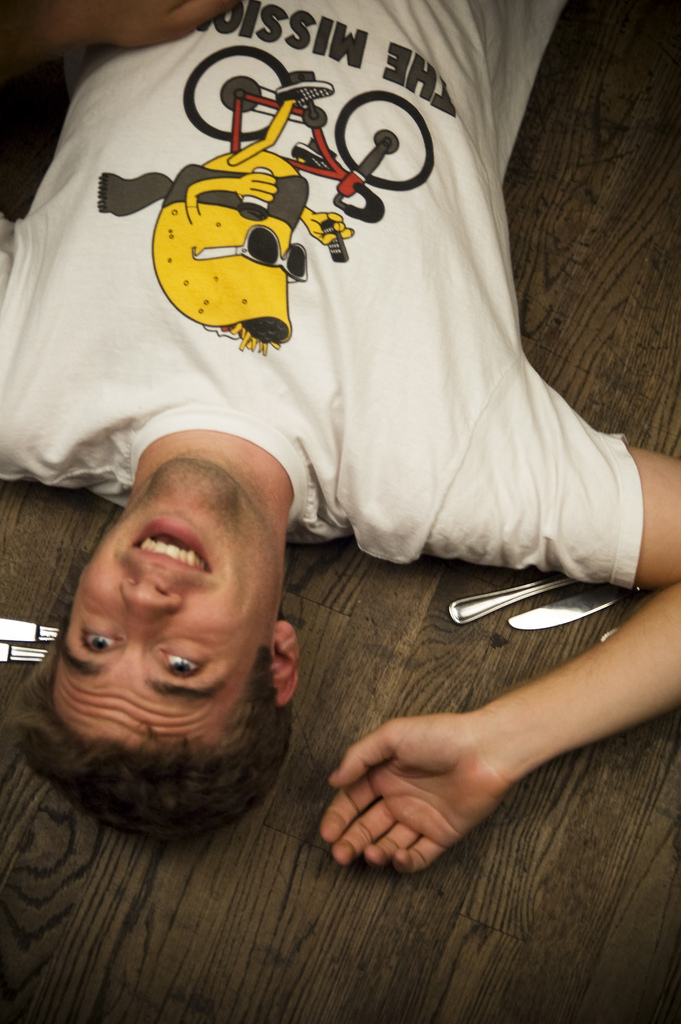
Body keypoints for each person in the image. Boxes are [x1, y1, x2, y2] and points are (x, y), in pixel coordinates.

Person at [3, 0, 681, 854]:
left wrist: (43, 24)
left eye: (94, 641)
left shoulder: (20, 384)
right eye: (180, 668)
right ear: (276, 659)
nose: (142, 604)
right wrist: (507, 743)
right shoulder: (439, 474)